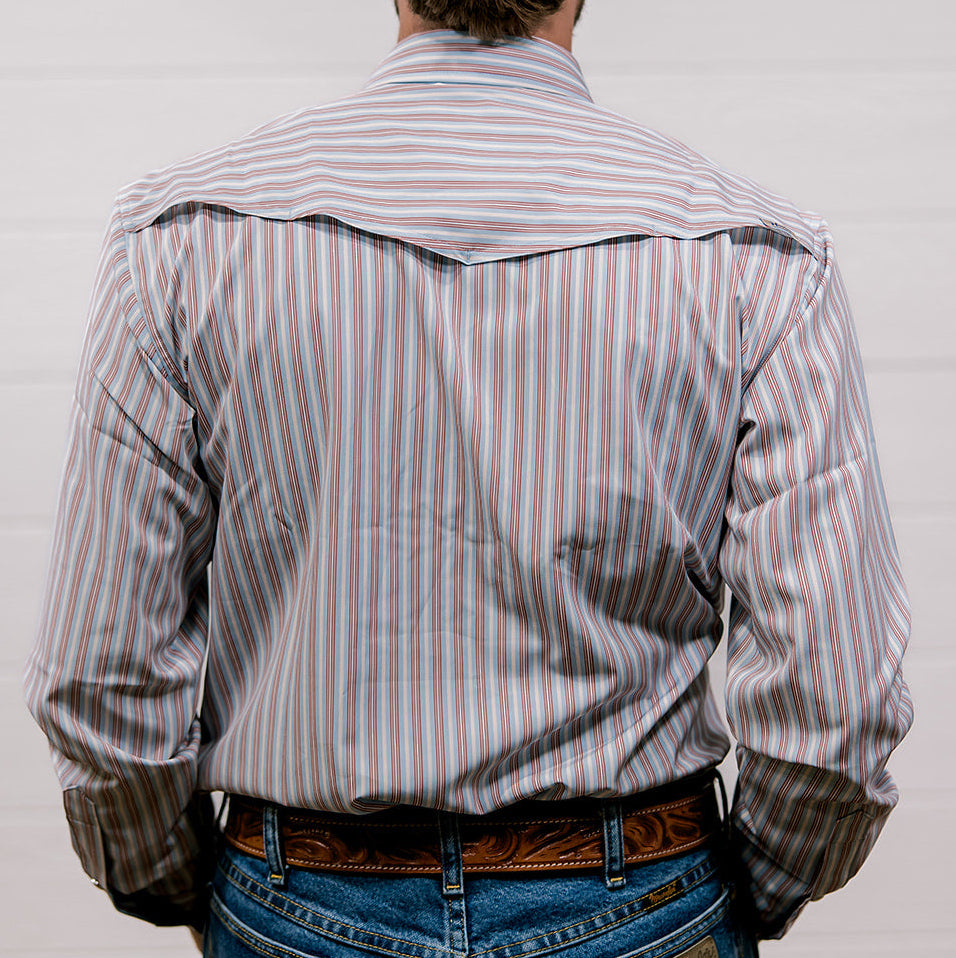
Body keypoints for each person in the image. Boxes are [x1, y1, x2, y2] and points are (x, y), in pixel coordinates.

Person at [24, 1, 913, 955]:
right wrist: (744, 889)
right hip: (646, 899)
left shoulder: (181, 241)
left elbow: (103, 675)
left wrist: (190, 884)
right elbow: (837, 705)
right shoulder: (757, 256)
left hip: (297, 899)